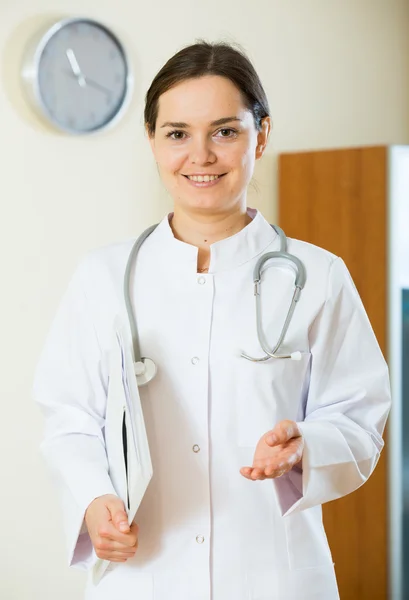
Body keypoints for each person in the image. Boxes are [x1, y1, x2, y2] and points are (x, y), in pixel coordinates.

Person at [33, 41, 391, 600]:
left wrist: (306, 443)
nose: (200, 155)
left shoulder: (319, 276)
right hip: (145, 574)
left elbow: (360, 417)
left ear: (262, 135)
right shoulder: (101, 278)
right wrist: (94, 497)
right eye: (177, 133)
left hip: (276, 574)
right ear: (152, 141)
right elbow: (69, 418)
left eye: (225, 131)